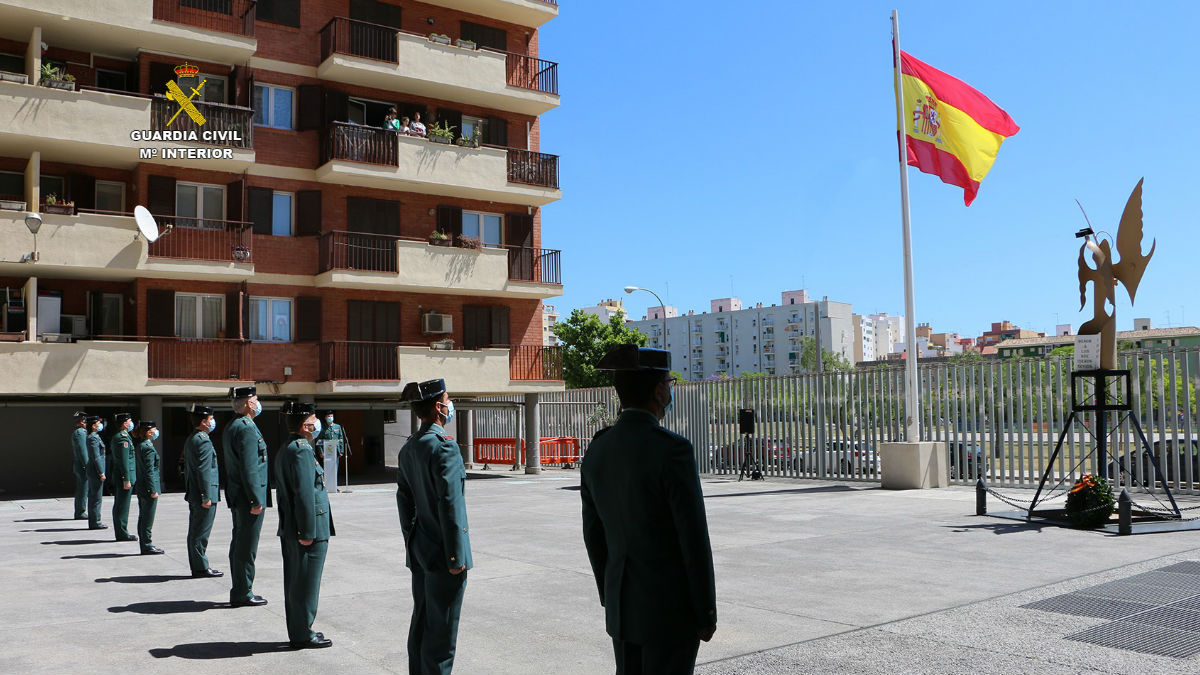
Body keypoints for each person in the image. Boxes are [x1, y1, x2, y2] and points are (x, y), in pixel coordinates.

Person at [581, 345, 717, 675]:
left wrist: (610, 595)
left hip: (622, 609)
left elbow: (594, 535)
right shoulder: (672, 450)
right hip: (668, 613)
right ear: (658, 392)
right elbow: (693, 539)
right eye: (668, 385)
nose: (669, 392)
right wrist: (705, 613)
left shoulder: (597, 450)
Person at [395, 378, 471, 675]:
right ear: (439, 407)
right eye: (448, 400)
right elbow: (450, 504)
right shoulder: (444, 448)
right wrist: (456, 556)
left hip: (421, 548)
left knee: (423, 622)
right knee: (441, 635)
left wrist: (412, 540)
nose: (450, 405)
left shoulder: (410, 447)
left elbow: (405, 501)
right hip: (443, 554)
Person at [275, 401, 334, 649]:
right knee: (305, 584)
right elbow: (303, 493)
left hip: (296, 527)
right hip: (307, 529)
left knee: (298, 581)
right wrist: (307, 531)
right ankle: (303, 633)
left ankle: (300, 630)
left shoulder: (291, 447)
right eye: (313, 419)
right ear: (305, 425)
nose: (316, 423)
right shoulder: (300, 450)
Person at [223, 385, 270, 607]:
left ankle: (241, 588)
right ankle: (243, 592)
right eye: (256, 399)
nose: (259, 403)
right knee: (246, 546)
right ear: (250, 403)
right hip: (248, 498)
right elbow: (250, 467)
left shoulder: (233, 426)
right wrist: (256, 499)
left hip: (239, 495)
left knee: (240, 543)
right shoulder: (247, 428)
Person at [184, 405, 223, 578]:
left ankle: (198, 565)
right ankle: (200, 567)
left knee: (196, 531)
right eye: (211, 419)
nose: (213, 422)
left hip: (195, 492)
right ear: (203, 422)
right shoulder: (203, 440)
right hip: (204, 494)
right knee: (200, 532)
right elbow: (204, 470)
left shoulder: (194, 438)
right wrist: (206, 496)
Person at [134, 421, 164, 555]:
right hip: (148, 488)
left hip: (142, 486)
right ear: (148, 432)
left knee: (143, 516)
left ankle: (145, 543)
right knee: (147, 517)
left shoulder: (142, 445)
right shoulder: (148, 448)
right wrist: (153, 490)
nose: (156, 431)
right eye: (154, 429)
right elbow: (149, 471)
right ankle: (147, 544)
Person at [109, 412, 138, 542]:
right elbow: (124, 461)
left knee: (122, 504)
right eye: (129, 421)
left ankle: (122, 531)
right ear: (124, 423)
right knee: (122, 505)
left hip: (123, 477)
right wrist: (126, 479)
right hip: (124, 477)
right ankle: (122, 533)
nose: (131, 423)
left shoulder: (124, 436)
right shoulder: (122, 438)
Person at [84, 415, 107, 530]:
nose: (100, 424)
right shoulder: (93, 438)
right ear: (93, 425)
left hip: (94, 470)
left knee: (95, 496)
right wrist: (101, 472)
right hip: (95, 471)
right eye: (98, 423)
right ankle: (95, 522)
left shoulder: (95, 436)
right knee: (96, 497)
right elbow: (96, 457)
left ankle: (95, 520)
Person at [317, 410, 350, 489]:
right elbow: (319, 441)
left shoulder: (337, 427)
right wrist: (321, 452)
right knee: (327, 469)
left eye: (331, 416)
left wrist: (341, 451)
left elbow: (341, 439)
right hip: (326, 452)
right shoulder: (323, 428)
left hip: (336, 451)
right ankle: (327, 486)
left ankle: (334, 486)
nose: (330, 418)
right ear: (325, 418)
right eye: (328, 416)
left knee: (335, 469)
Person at [71, 411, 89, 520]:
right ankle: (80, 511)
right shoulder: (81, 433)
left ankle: (80, 510)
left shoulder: (80, 432)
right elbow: (83, 452)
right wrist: (87, 466)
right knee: (83, 489)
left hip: (80, 465)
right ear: (82, 422)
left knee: (82, 488)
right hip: (82, 465)